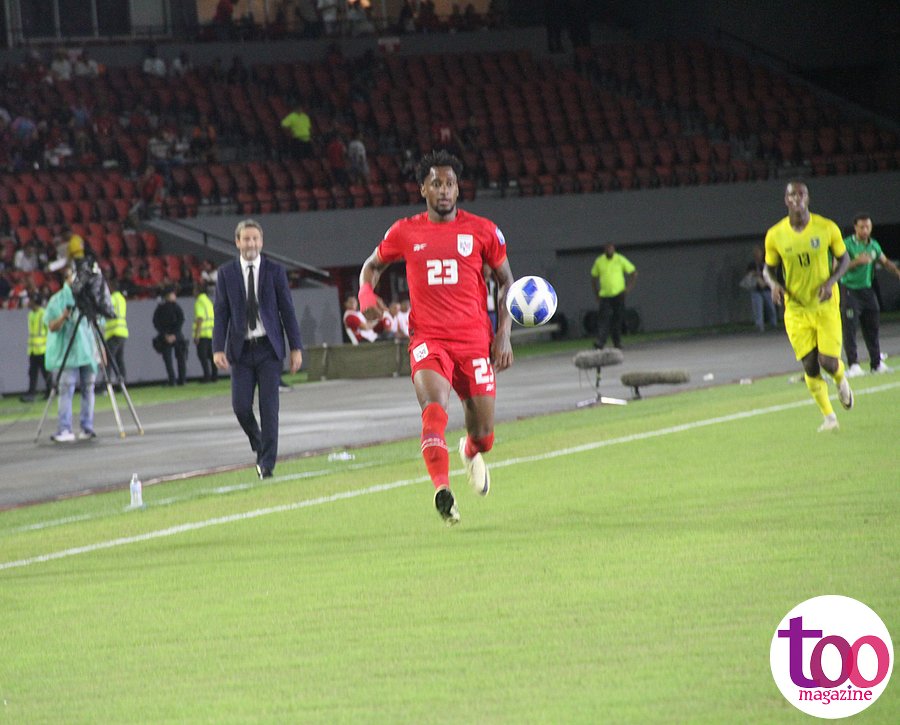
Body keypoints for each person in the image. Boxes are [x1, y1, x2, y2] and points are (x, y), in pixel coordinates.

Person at [358, 150, 514, 525]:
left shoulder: (483, 230)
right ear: (423, 189)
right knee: (433, 411)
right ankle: (442, 490)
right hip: (429, 340)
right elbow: (372, 266)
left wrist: (504, 333)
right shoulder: (404, 231)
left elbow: (506, 280)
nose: (443, 190)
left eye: (450, 184)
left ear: (458, 189)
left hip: (475, 342)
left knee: (485, 435)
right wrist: (366, 296)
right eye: (436, 183)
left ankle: (470, 450)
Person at [213, 219, 303, 479]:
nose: (251, 243)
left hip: (268, 349)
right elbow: (221, 313)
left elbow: (287, 310)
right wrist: (217, 348)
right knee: (241, 407)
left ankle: (267, 465)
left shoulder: (275, 271)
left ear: (261, 242)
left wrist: (296, 347)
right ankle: (260, 443)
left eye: (255, 239)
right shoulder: (226, 273)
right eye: (246, 239)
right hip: (240, 350)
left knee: (269, 409)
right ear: (237, 242)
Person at [763, 180, 854, 432]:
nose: (797, 198)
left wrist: (831, 281)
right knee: (810, 365)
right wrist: (774, 285)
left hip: (824, 304)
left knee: (828, 362)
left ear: (808, 198)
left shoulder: (826, 227)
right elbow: (768, 269)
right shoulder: (775, 234)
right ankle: (829, 418)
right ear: (786, 200)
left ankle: (840, 378)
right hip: (796, 309)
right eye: (792, 195)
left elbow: (844, 258)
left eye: (801, 194)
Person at [44, 265, 102, 442]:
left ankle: (87, 427)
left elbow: (96, 325)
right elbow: (52, 326)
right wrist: (63, 316)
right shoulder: (57, 300)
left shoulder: (87, 298)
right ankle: (64, 429)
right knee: (66, 391)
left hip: (86, 351)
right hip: (67, 354)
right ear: (66, 278)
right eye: (73, 276)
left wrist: (100, 350)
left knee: (88, 389)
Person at [840, 213, 900, 376]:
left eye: (868, 227)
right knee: (850, 329)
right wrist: (856, 262)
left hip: (867, 291)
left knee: (872, 327)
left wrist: (897, 272)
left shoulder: (873, 245)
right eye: (862, 227)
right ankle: (853, 365)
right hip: (850, 290)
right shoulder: (846, 244)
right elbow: (837, 267)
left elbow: (885, 262)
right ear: (855, 227)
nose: (865, 230)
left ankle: (876, 363)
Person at [590, 243, 637, 349]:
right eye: (607, 249)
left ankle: (617, 342)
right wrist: (596, 293)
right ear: (605, 250)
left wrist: (628, 289)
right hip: (605, 295)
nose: (609, 250)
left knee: (617, 318)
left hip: (618, 294)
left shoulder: (620, 259)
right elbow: (593, 278)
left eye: (611, 249)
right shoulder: (599, 261)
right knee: (604, 318)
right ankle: (600, 341)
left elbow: (633, 273)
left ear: (614, 249)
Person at [21, 293, 53, 402]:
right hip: (33, 350)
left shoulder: (44, 314)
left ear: (34, 302)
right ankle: (31, 394)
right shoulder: (31, 314)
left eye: (30, 301)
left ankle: (50, 392)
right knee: (32, 373)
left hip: (43, 349)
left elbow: (50, 331)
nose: (28, 303)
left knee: (46, 372)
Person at [152, 286, 187, 386]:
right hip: (176, 336)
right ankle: (182, 380)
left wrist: (165, 335)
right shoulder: (176, 307)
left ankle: (172, 380)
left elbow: (156, 322)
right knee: (180, 358)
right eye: (173, 294)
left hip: (166, 336)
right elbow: (181, 320)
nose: (174, 296)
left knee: (168, 360)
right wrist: (175, 334)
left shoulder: (160, 308)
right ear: (168, 296)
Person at [740, 245, 778, 332]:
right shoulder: (752, 264)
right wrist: (755, 274)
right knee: (758, 308)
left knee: (771, 307)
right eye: (755, 253)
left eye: (758, 253)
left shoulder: (766, 263)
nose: (757, 255)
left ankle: (774, 324)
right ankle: (759, 326)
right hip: (756, 289)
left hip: (767, 289)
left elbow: (770, 273)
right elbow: (749, 274)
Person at [103, 278, 128, 383]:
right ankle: (123, 382)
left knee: (108, 359)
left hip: (113, 332)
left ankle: (106, 384)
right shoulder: (122, 298)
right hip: (122, 332)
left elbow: (106, 309)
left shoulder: (112, 298)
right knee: (119, 359)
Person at [193, 282, 218, 383]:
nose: (193, 292)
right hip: (211, 333)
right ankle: (214, 376)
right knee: (212, 357)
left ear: (198, 291)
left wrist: (197, 335)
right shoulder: (208, 301)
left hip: (203, 334)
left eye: (194, 290)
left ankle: (206, 376)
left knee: (203, 357)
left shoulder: (199, 302)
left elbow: (200, 318)